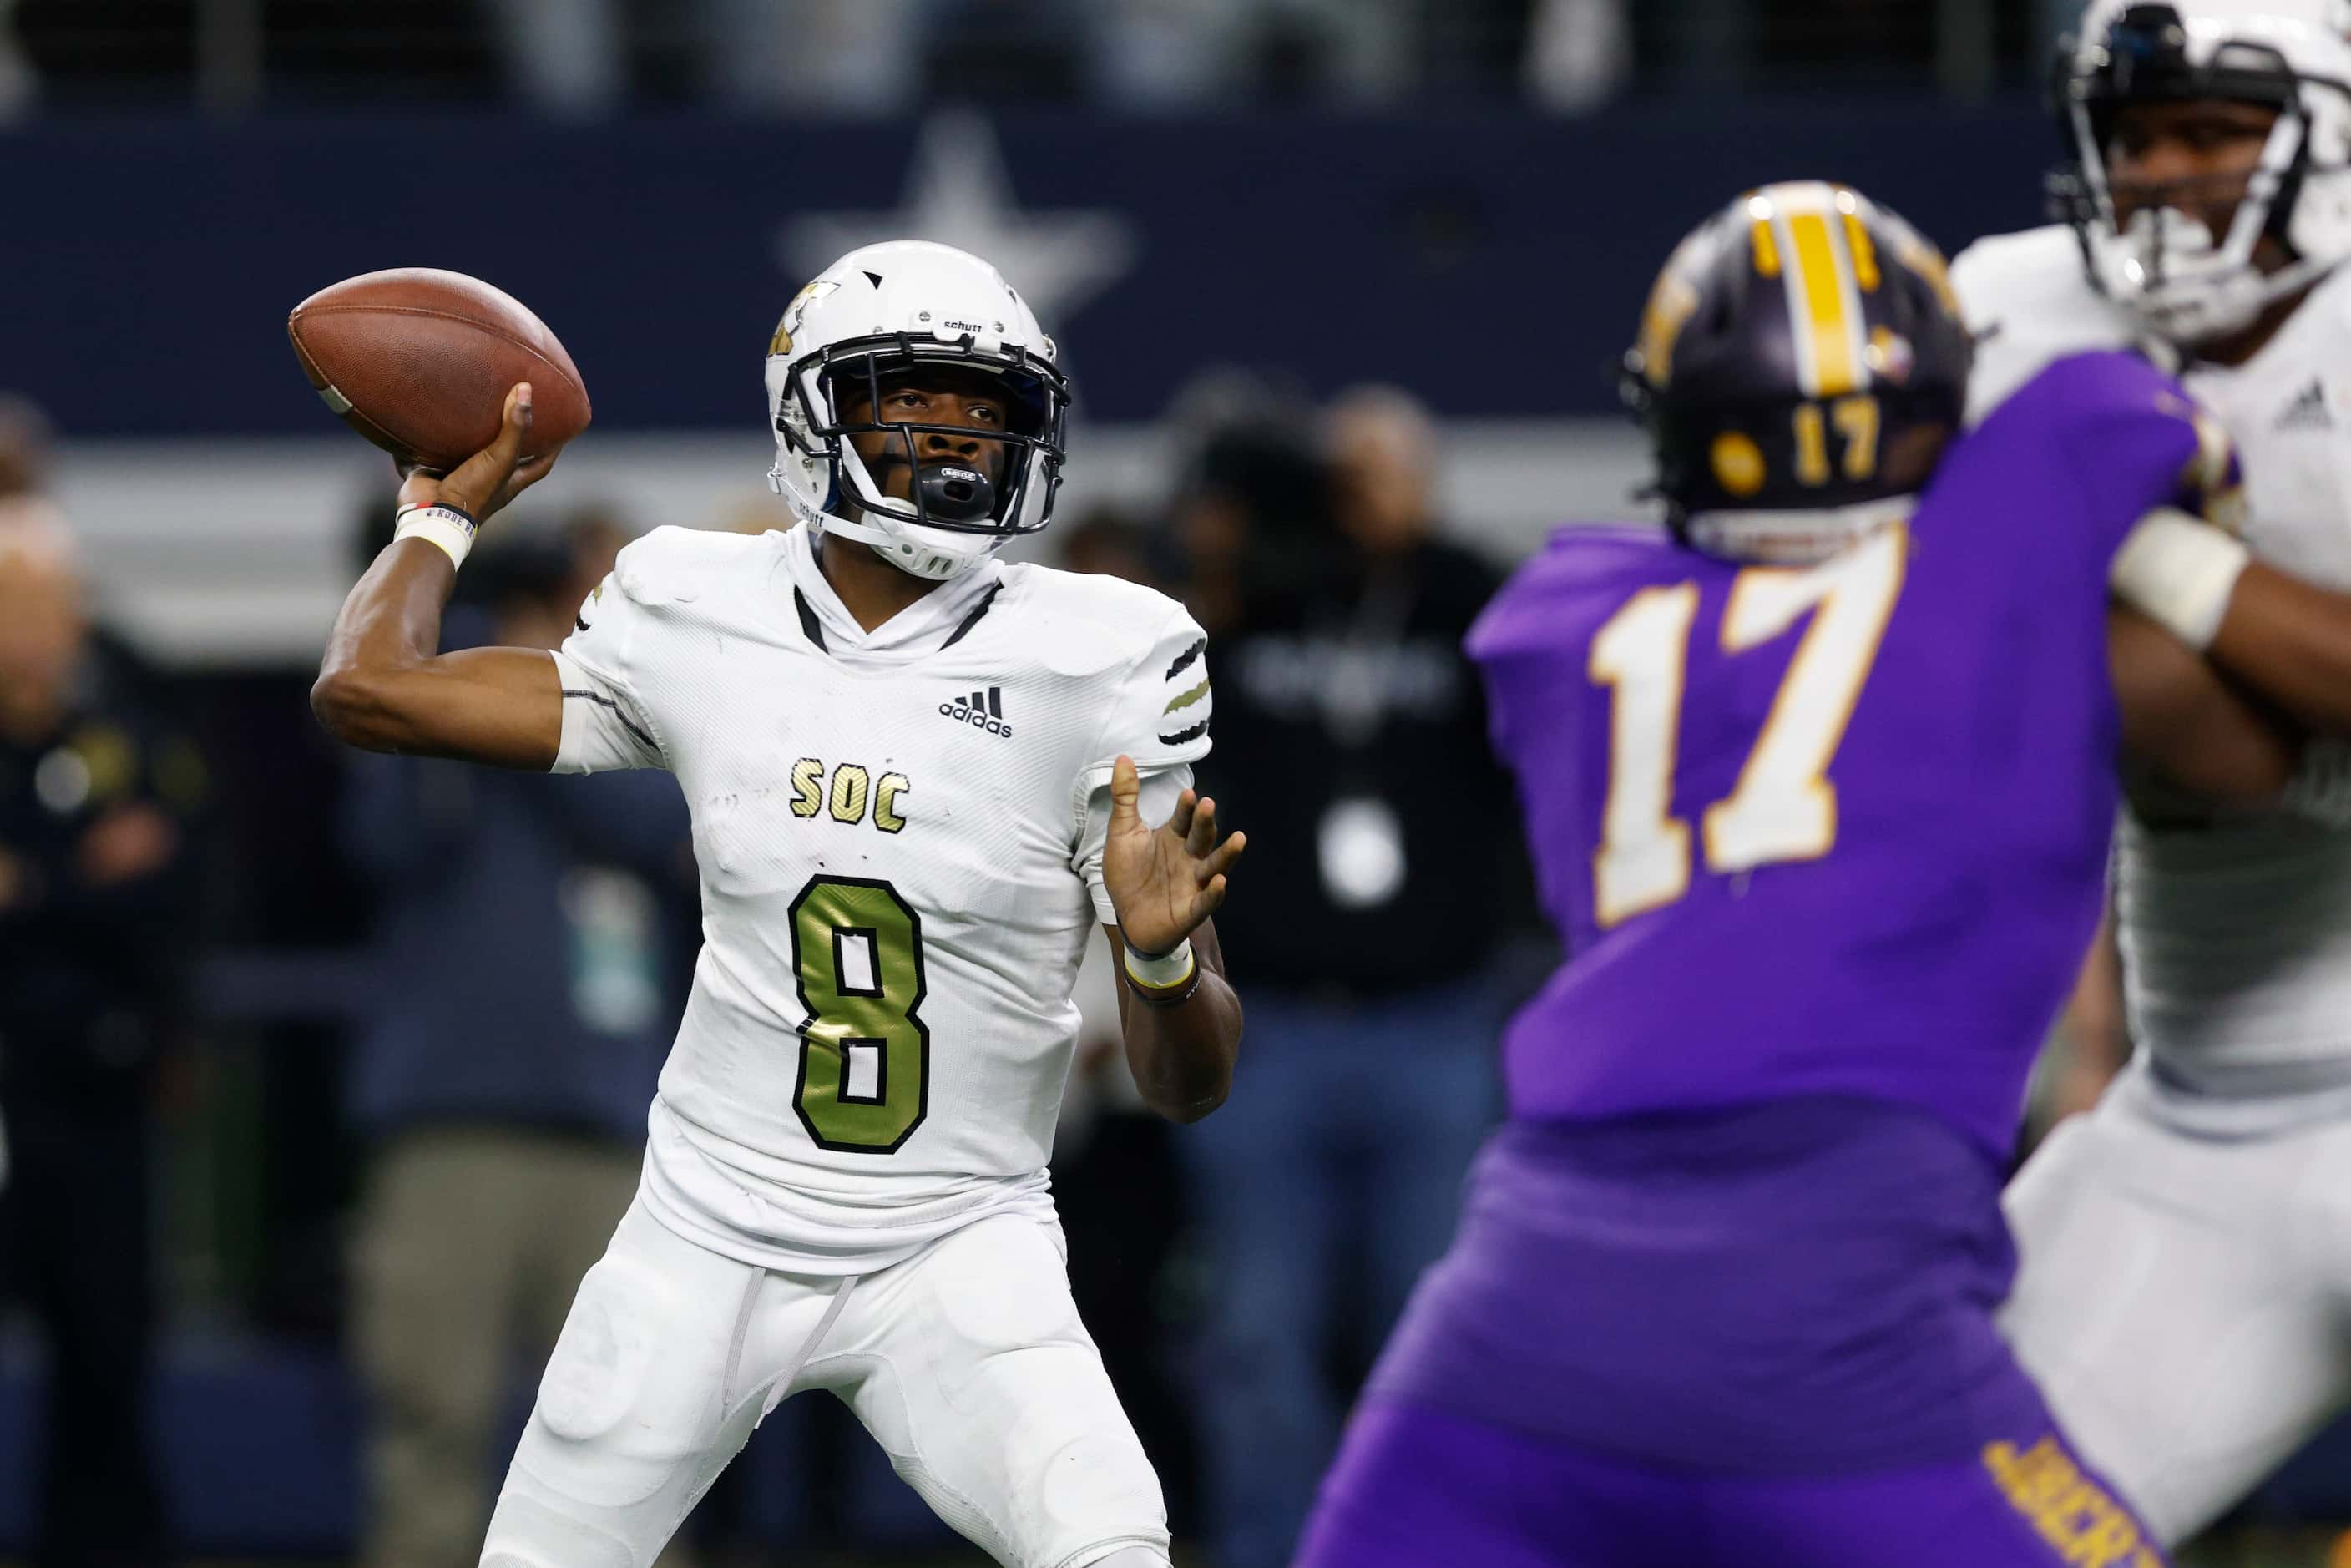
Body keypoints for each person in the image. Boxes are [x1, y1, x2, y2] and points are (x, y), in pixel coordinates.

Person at [1292, 178, 2323, 1567]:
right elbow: (2247, 757)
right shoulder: (2053, 474)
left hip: (1511, 1320)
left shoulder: (1557, 623)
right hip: (1837, 1321)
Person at [310, 240, 1246, 1568]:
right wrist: (439, 514)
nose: (960, 433)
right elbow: (369, 688)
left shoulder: (1106, 657)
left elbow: (1188, 1082)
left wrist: (1157, 967)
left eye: (992, 406)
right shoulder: (693, 604)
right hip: (707, 1233)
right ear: (814, 411)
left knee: (1112, 1546)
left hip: (959, 1238)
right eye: (918, 394)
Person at [1951, 0, 2351, 1542]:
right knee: (1936, 1530)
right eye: (2133, 139)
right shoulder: (2010, 315)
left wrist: (2144, 548)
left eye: (2213, 132)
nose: (2164, 175)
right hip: (2204, 1119)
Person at [1177, 384, 1513, 1568]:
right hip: (1269, 1030)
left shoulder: (1461, 603)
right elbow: (1189, 612)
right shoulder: (1262, 593)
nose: (1362, 491)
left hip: (1433, 1023)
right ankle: (1277, 1550)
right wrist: (1293, 519)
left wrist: (1411, 534)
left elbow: (1523, 644)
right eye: (1347, 471)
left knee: (1431, 1332)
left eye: (1388, 470)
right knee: (1257, 1333)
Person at [341, 521, 695, 1568]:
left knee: (629, 1442)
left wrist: (567, 684)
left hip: (612, 1131)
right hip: (450, 1123)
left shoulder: (660, 714)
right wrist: (483, 667)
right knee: (429, 1422)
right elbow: (381, 834)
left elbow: (661, 832)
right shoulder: (444, 694)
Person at [0, 517, 202, 1568]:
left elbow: (168, 884)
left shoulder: (125, 734)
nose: (39, 634)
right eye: (17, 611)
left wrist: (33, 888)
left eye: (52, 608)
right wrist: (82, 880)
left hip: (97, 1092)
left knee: (107, 1348)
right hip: (14, 1087)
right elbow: (107, 884)